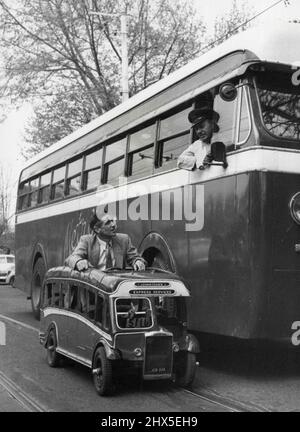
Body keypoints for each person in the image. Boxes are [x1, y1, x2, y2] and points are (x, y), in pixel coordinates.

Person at [65, 212, 146, 272]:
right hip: (95, 286)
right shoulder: (87, 241)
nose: (113, 225)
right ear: (97, 229)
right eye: (108, 223)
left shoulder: (124, 239)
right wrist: (79, 261)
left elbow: (135, 257)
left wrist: (138, 261)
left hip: (116, 285)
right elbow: (71, 258)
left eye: (113, 221)